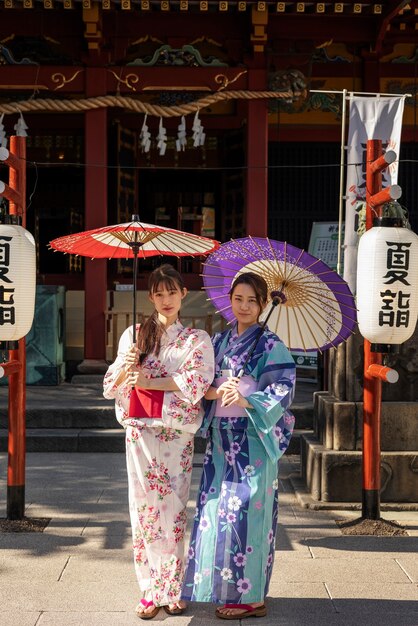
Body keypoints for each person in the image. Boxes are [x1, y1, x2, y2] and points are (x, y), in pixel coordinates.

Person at [103, 264, 215, 620]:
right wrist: (128, 366)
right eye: (159, 293)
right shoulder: (135, 335)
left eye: (172, 292)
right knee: (144, 511)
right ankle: (150, 591)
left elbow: (196, 381)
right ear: (150, 297)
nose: (166, 300)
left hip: (174, 434)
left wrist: (152, 382)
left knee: (173, 509)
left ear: (184, 293)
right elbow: (110, 386)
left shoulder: (197, 340)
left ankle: (174, 587)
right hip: (140, 430)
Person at [182, 272, 296, 620]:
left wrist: (248, 398)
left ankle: (252, 597)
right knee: (218, 515)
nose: (244, 306)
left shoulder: (271, 344)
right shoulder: (217, 342)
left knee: (250, 516)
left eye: (252, 301)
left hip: (253, 440)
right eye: (239, 299)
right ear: (230, 299)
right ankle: (223, 589)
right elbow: (200, 382)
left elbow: (285, 387)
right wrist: (216, 390)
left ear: (263, 305)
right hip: (221, 439)